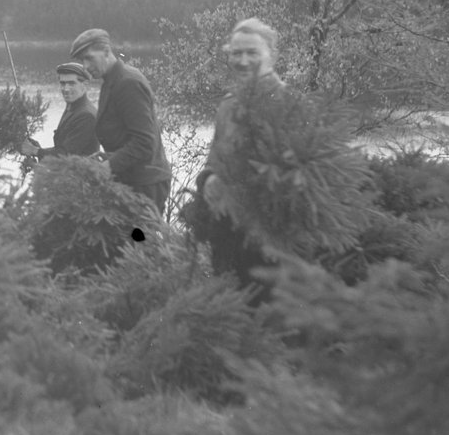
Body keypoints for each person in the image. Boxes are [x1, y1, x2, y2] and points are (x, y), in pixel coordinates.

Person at [193, 17, 286, 303]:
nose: (243, 61)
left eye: (252, 53)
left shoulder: (286, 103)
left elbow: (289, 177)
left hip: (268, 243)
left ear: (272, 55)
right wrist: (207, 179)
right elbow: (214, 161)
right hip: (227, 235)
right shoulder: (228, 105)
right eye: (236, 53)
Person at [70, 28, 172, 214]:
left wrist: (108, 166)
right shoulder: (112, 80)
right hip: (134, 180)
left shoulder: (127, 83)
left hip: (146, 185)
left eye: (89, 58)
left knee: (139, 241)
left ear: (107, 52)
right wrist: (108, 157)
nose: (85, 66)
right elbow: (126, 136)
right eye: (82, 60)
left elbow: (144, 143)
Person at [19, 61, 99, 168]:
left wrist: (36, 151)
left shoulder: (86, 115)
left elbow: (65, 156)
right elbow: (64, 148)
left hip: (82, 181)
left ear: (84, 85)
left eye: (71, 83)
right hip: (70, 176)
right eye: (63, 83)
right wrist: (39, 149)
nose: (66, 89)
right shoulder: (73, 107)